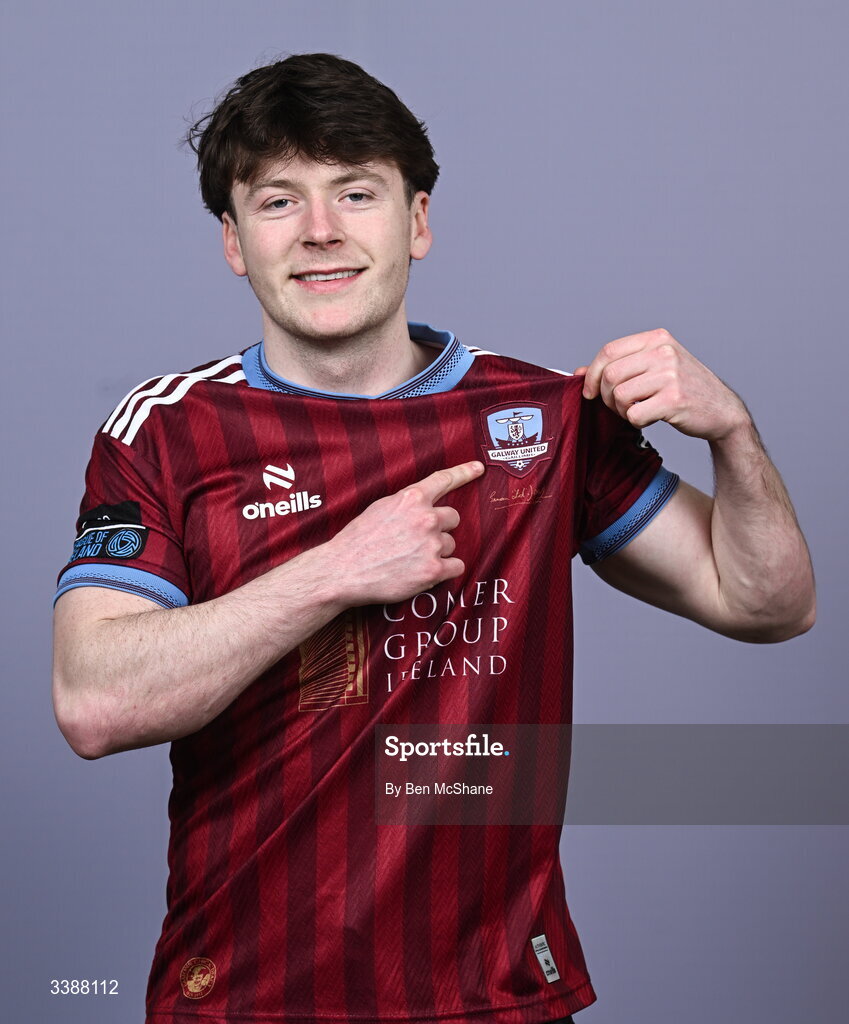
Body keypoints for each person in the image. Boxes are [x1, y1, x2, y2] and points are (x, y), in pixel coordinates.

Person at [51, 52, 815, 1024]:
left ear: (416, 221)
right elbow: (94, 703)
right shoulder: (164, 429)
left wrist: (732, 432)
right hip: (243, 996)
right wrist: (335, 571)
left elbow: (768, 602)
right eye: (278, 201)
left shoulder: (539, 418)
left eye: (355, 192)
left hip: (498, 999)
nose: (320, 230)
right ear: (235, 242)